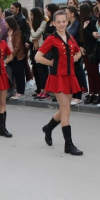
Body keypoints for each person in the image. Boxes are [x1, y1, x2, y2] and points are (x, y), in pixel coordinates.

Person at [35, 10, 83, 156]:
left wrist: (73, 59)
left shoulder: (70, 36)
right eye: (59, 22)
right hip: (58, 77)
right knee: (66, 109)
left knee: (64, 109)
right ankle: (68, 145)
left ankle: (48, 128)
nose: (62, 24)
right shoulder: (51, 38)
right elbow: (38, 56)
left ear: (67, 22)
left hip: (70, 76)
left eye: (64, 21)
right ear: (53, 23)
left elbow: (78, 51)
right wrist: (50, 62)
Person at [80, 3, 100, 105]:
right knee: (89, 73)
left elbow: (93, 36)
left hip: (93, 50)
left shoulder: (92, 20)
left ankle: (97, 93)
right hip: (86, 50)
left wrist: (85, 29)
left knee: (95, 73)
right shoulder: (83, 21)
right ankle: (91, 92)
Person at [28, 7, 49, 100]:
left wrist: (31, 28)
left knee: (42, 70)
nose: (30, 17)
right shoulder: (34, 24)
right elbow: (31, 38)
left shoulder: (43, 23)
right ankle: (40, 89)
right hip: (34, 48)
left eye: (32, 15)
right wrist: (34, 37)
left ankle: (45, 90)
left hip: (41, 49)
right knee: (37, 70)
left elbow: (36, 34)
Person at [5, 16, 26, 100]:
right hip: (11, 56)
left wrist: (11, 56)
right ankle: (17, 90)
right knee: (14, 74)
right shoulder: (9, 32)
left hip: (17, 56)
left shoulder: (17, 32)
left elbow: (17, 46)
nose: (5, 24)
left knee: (19, 74)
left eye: (6, 23)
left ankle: (21, 92)